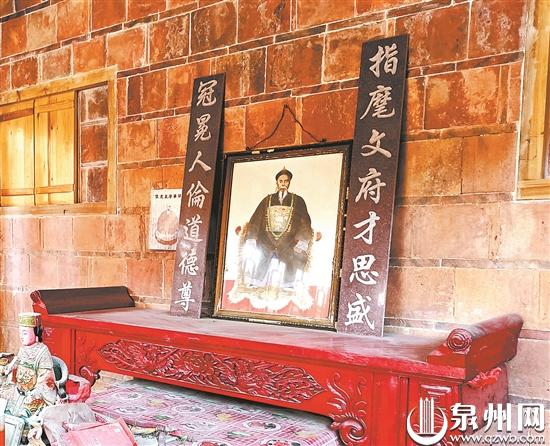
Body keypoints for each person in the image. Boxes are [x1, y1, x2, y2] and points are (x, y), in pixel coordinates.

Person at [239, 167, 314, 290]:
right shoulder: (267, 200)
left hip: (288, 240)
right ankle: (256, 281)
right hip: (266, 239)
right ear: (277, 182)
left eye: (286, 181)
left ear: (289, 182)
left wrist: (302, 241)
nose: (283, 183)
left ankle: (289, 283)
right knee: (259, 251)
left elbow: (305, 222)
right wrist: (252, 238)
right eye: (281, 181)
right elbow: (256, 220)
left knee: (295, 255)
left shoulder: (298, 200)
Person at [0, 312, 57, 418]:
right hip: (20, 389)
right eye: (20, 333)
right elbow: (16, 362)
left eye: (25, 333)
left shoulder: (42, 352)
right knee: (3, 393)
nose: (21, 337)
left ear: (36, 332)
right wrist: (7, 369)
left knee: (29, 407)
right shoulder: (23, 349)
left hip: (38, 392)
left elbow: (46, 380)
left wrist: (34, 392)